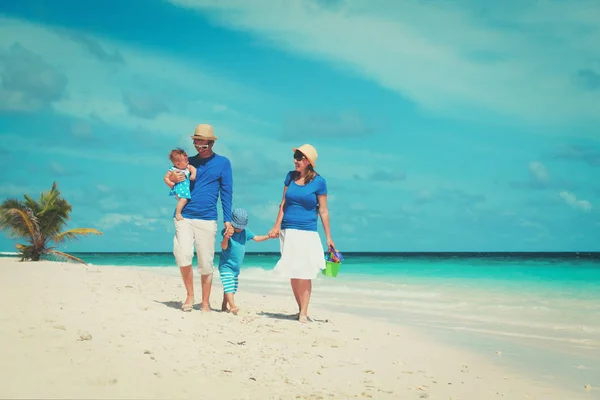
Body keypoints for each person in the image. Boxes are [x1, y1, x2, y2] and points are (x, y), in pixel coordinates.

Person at [166, 124, 234, 312]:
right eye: (195, 141)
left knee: (206, 261)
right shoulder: (187, 163)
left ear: (211, 142)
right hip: (184, 216)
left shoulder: (223, 163)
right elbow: (171, 180)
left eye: (201, 142)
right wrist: (172, 179)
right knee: (183, 254)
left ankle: (205, 302)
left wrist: (227, 219)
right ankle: (189, 295)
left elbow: (227, 193)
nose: (197, 145)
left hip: (207, 218)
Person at [268, 144, 335, 323]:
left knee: (305, 272)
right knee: (293, 270)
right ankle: (300, 309)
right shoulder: (290, 177)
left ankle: (304, 312)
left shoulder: (319, 182)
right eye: (295, 157)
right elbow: (283, 203)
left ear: (308, 161)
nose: (295, 160)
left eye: (299, 157)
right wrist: (276, 225)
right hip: (288, 230)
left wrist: (328, 237)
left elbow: (324, 211)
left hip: (307, 232)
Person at [219, 208, 271, 315]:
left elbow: (257, 238)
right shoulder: (227, 231)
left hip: (236, 267)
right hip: (226, 265)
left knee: (231, 287)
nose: (239, 229)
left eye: (241, 227)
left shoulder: (245, 232)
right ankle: (232, 306)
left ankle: (224, 305)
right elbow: (224, 247)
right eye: (237, 227)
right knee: (228, 284)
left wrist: (268, 236)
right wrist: (227, 238)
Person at [164, 148, 197, 221]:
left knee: (184, 200)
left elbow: (193, 169)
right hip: (179, 189)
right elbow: (166, 178)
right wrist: (170, 183)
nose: (188, 162)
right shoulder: (173, 169)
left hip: (185, 189)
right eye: (185, 161)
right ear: (178, 163)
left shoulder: (187, 167)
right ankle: (178, 213)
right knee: (184, 200)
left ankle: (179, 212)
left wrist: (193, 175)